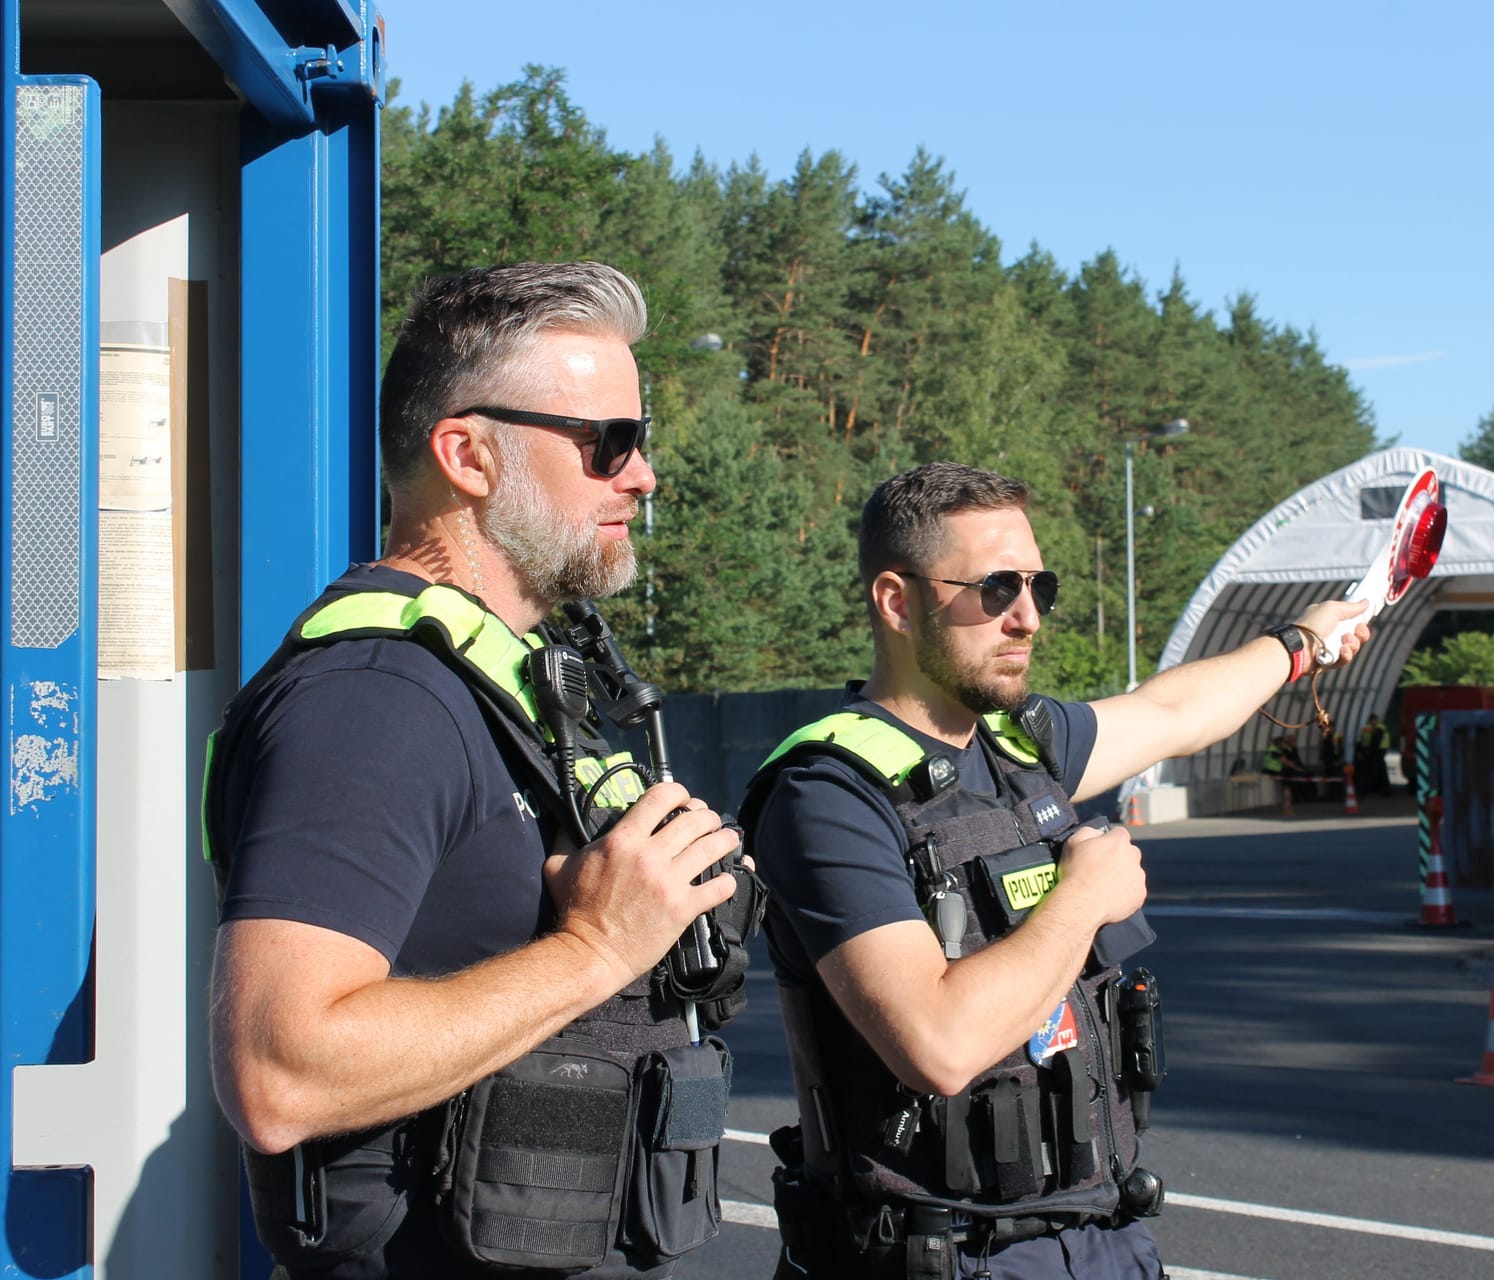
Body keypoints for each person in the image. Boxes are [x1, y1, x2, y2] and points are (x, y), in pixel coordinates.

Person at [205, 262, 751, 1279]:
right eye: (608, 444)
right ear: (467, 453)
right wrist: (595, 946)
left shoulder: (500, 683)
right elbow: (278, 1068)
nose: (643, 474)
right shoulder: (375, 700)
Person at [742, 462, 1371, 1279]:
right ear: (897, 601)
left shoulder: (1018, 746)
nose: (1028, 617)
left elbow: (1172, 711)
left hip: (1099, 1236)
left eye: (1041, 586)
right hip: (940, 1256)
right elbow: (938, 1043)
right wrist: (1080, 904)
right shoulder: (828, 794)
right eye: (996, 589)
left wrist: (1300, 645)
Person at [1357, 713, 1392, 796]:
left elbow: (1376, 740)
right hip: (1376, 751)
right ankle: (1384, 790)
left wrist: (1368, 750)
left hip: (1378, 751)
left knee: (1375, 770)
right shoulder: (1370, 728)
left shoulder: (1379, 728)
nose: (1372, 722)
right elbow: (1365, 739)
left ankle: (1370, 789)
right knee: (1380, 770)